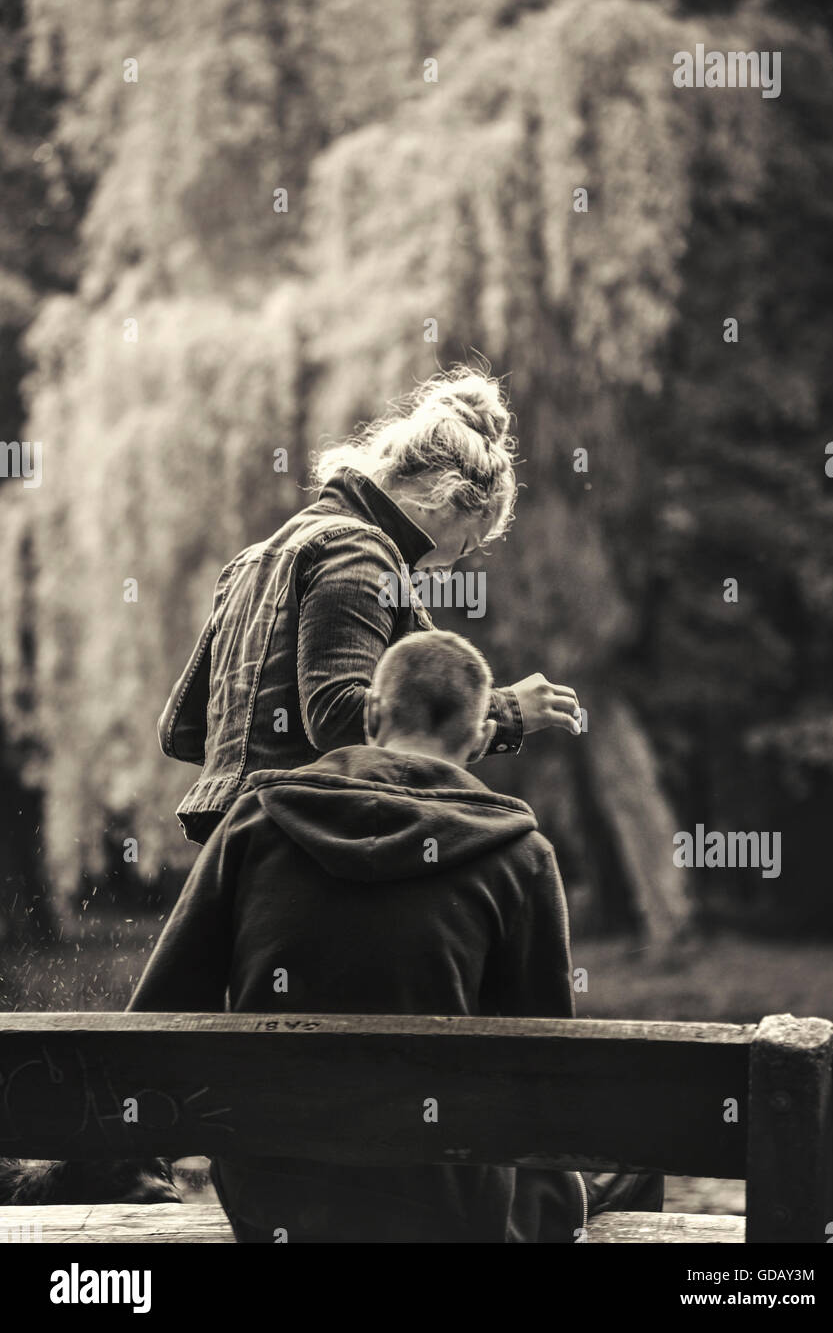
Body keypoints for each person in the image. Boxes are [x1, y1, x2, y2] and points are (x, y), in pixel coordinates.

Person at [130, 630, 598, 1242]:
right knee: (623, 1179)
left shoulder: (256, 820)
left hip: (273, 1203)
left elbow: (157, 1020)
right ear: (483, 737)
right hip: (452, 1210)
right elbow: (547, 1069)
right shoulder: (522, 855)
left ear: (372, 713)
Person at [158, 366, 582, 846]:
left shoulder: (250, 562)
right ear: (444, 499)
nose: (445, 570)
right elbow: (337, 716)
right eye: (464, 547)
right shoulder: (361, 553)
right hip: (304, 839)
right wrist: (504, 710)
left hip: (230, 843)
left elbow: (181, 729)